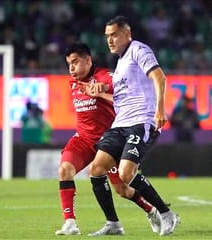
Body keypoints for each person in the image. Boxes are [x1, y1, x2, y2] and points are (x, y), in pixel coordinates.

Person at [84, 16, 180, 236]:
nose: (110, 40)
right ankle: (113, 224)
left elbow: (159, 77)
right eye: (107, 36)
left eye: (114, 35)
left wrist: (160, 109)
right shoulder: (120, 63)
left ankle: (166, 214)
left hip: (141, 121)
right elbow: (122, 99)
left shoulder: (139, 50)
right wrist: (100, 93)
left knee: (127, 174)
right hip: (120, 124)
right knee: (96, 169)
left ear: (127, 35)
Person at [55, 42, 161, 236]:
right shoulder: (73, 82)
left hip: (108, 142)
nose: (71, 68)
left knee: (122, 189)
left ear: (88, 60)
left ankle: (152, 210)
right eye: (69, 63)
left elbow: (122, 91)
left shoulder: (106, 76)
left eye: (75, 62)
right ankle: (70, 223)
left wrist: (102, 89)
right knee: (64, 170)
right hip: (84, 140)